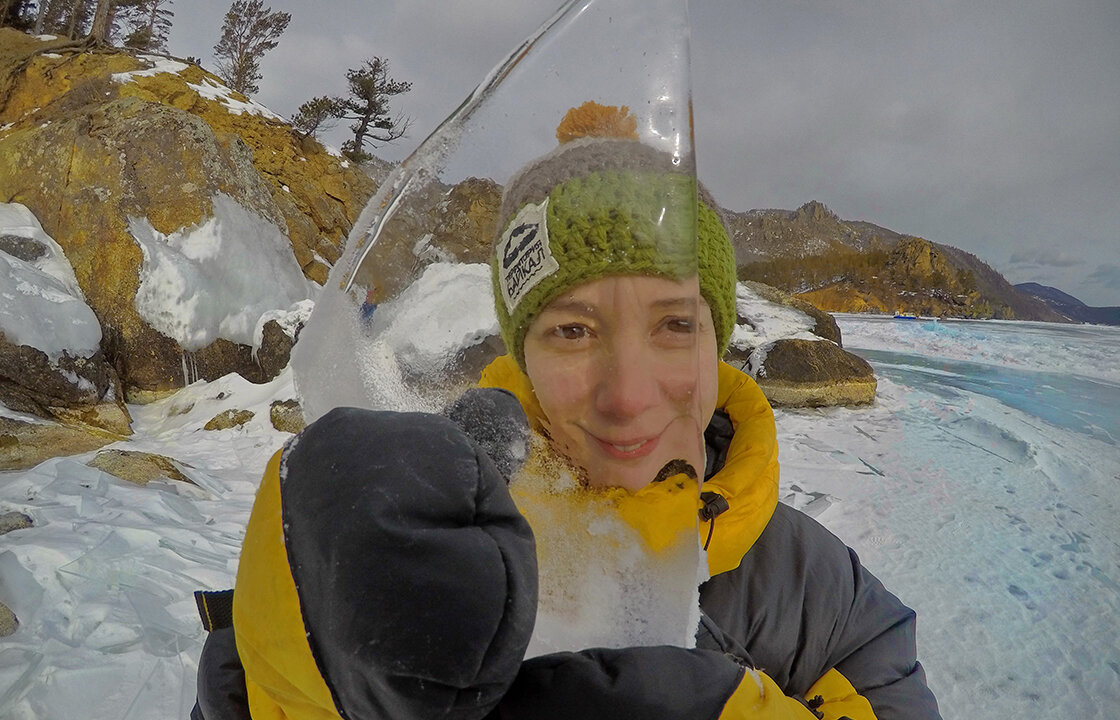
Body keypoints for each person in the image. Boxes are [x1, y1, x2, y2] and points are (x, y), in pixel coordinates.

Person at [192, 108, 941, 720]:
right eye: (573, 331)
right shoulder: (416, 544)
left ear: (720, 341)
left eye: (675, 324)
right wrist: (307, 651)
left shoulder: (833, 607)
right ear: (522, 355)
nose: (628, 396)